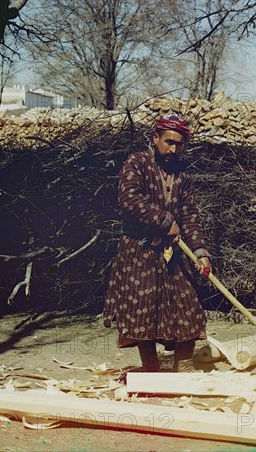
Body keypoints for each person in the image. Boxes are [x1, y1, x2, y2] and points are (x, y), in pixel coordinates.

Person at [103, 116, 212, 373]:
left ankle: (183, 365)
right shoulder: (137, 162)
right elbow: (128, 198)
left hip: (174, 251)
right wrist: (163, 220)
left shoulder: (183, 175)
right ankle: (151, 369)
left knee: (188, 305)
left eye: (179, 145)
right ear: (156, 139)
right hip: (138, 249)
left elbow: (190, 216)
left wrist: (200, 252)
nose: (173, 150)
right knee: (143, 310)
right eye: (168, 142)